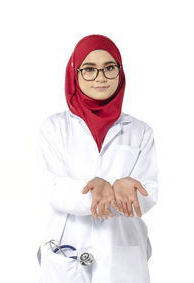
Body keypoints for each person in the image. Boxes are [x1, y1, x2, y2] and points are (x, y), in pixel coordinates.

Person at [37, 34, 159, 283]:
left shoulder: (140, 131)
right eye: (89, 69)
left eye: (109, 68)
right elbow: (53, 186)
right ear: (75, 73)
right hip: (68, 250)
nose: (101, 77)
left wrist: (126, 189)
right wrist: (96, 191)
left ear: (120, 73)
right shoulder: (55, 128)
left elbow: (149, 191)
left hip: (122, 255)